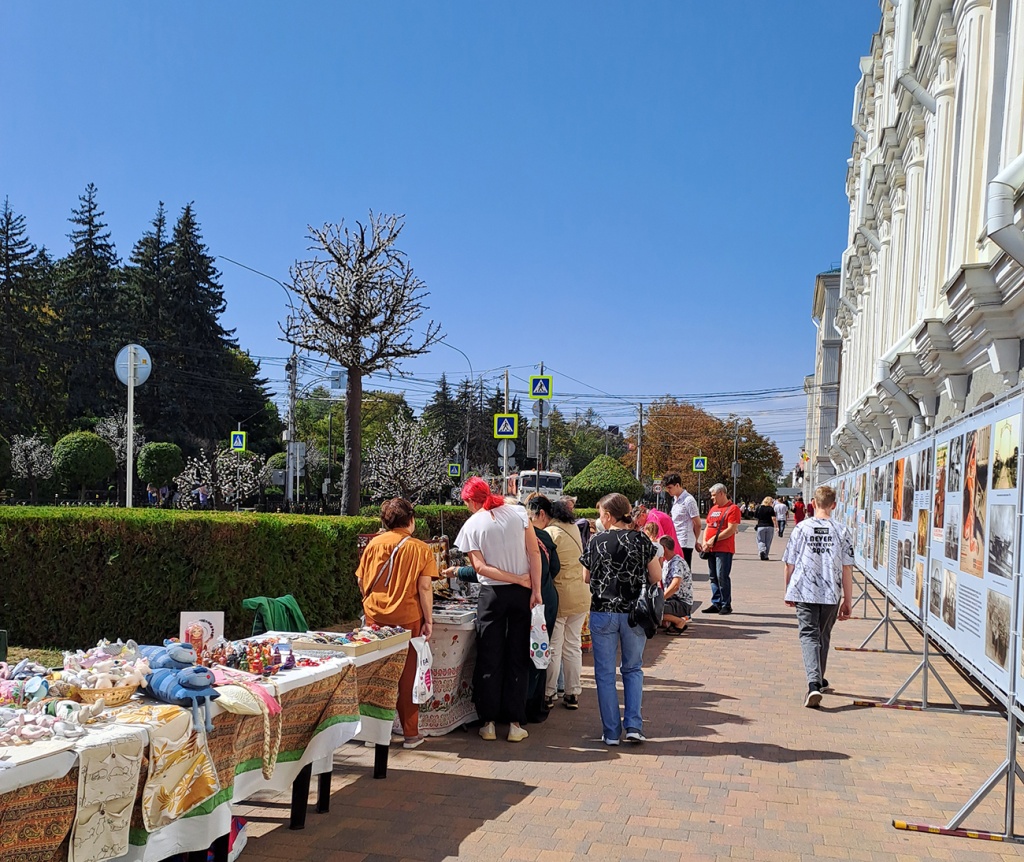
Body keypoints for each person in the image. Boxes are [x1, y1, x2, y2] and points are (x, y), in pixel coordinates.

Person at [454, 477, 541, 743]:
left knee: (489, 656)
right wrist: (533, 588)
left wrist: (514, 579)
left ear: (470, 500)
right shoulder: (517, 513)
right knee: (518, 654)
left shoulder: (471, 525)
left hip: (491, 594)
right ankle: (515, 723)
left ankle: (488, 722)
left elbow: (479, 568)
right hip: (522, 593)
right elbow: (534, 553)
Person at [355, 498, 438, 749]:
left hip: (375, 616)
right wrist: (429, 620)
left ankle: (375, 733)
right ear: (411, 520)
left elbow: (360, 581)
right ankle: (411, 734)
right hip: (408, 617)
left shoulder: (373, 544)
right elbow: (425, 587)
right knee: (407, 676)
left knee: (377, 673)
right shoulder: (421, 548)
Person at [582, 493, 661, 745]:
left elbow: (586, 577)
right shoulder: (641, 540)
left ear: (607, 516)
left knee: (604, 674)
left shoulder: (596, 540)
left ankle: (611, 732)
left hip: (603, 611)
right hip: (634, 614)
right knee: (633, 668)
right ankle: (634, 726)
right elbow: (655, 575)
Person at [782, 485, 854, 708]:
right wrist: (848, 601)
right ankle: (819, 679)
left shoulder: (801, 528)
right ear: (834, 505)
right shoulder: (841, 530)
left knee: (809, 636)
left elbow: (789, 563)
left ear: (813, 503)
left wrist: (788, 589)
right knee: (822, 635)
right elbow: (847, 568)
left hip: (804, 590)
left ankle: (813, 684)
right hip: (831, 591)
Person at [542, 500, 589, 710]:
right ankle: (573, 693)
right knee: (572, 645)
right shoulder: (573, 528)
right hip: (580, 593)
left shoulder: (551, 532)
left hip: (561, 593)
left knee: (554, 645)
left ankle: (549, 692)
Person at [524, 495, 560, 723]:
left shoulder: (521, 537)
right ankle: (536, 706)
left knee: (526, 656)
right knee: (541, 652)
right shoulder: (545, 537)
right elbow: (554, 568)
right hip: (548, 600)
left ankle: (524, 706)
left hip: (530, 602)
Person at [700, 484, 742, 615]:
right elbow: (707, 526)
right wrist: (705, 542)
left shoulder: (733, 509)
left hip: (724, 548)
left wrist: (714, 540)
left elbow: (731, 529)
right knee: (713, 576)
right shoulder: (713, 509)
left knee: (722, 575)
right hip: (710, 549)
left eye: (714, 496)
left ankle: (726, 604)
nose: (712, 499)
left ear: (721, 494)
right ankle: (716, 602)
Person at [664, 472, 702, 567]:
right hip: (676, 541)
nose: (668, 491)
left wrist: (695, 540)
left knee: (683, 573)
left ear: (677, 485)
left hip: (685, 542)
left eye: (670, 488)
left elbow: (697, 523)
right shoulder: (676, 499)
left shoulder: (688, 500)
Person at [659, 537, 691, 635]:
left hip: (681, 603)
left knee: (652, 609)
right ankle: (669, 621)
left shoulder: (677, 563)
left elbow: (675, 585)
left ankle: (679, 622)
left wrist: (660, 599)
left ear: (663, 548)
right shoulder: (666, 562)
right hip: (672, 600)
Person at [754, 496, 778, 561]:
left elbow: (756, 517)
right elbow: (773, 518)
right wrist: (776, 526)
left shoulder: (759, 508)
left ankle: (762, 551)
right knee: (768, 542)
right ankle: (766, 555)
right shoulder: (770, 509)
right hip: (770, 526)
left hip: (761, 526)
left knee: (760, 540)